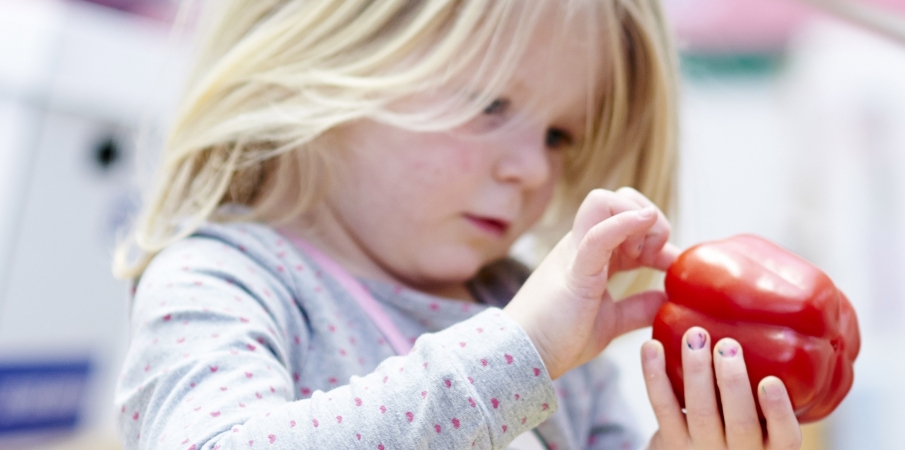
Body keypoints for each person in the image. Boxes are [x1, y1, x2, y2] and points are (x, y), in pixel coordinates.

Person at [114, 0, 802, 448]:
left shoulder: (530, 312)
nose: (535, 170)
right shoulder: (223, 283)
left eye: (560, 136)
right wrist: (517, 353)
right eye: (491, 103)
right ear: (321, 62)